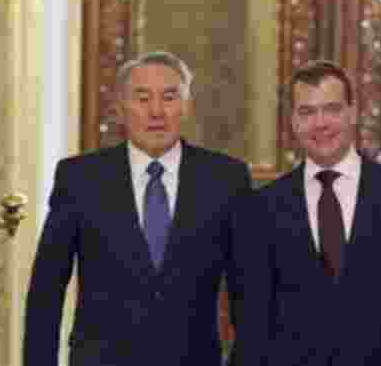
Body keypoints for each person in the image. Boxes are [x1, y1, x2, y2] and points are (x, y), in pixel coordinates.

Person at [23, 51, 254, 366]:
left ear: (186, 106)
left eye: (170, 97)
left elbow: (250, 295)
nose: (156, 111)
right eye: (142, 98)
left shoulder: (225, 179)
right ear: (120, 108)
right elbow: (46, 291)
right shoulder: (80, 178)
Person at [238, 61, 381, 366]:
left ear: (353, 113)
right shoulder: (262, 208)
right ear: (292, 121)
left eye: (331, 109)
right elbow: (253, 326)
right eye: (307, 112)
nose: (321, 123)